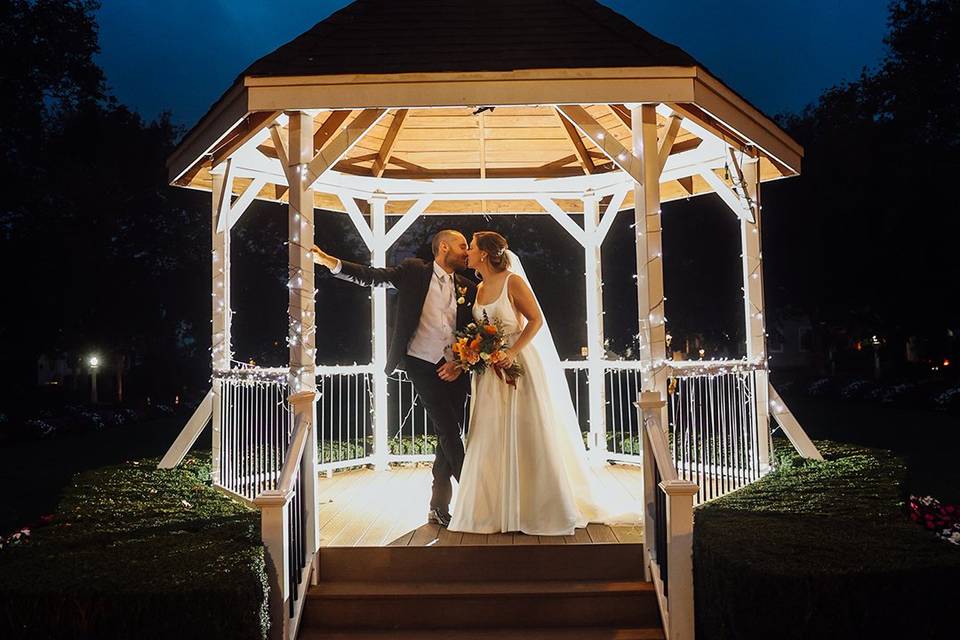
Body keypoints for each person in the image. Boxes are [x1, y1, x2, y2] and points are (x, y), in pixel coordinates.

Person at [444, 231, 638, 535]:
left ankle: (537, 508)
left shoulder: (513, 281)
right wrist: (474, 352)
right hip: (488, 373)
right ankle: (491, 511)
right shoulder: (479, 287)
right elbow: (482, 330)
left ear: (483, 254)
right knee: (489, 433)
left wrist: (511, 351)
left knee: (526, 430)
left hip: (518, 363)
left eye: (470, 248)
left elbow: (535, 320)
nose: (466, 252)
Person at [310, 231, 477, 527]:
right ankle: (475, 497)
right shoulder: (414, 271)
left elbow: (473, 332)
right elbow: (371, 276)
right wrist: (329, 262)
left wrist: (460, 364)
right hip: (421, 364)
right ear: (443, 247)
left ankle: (438, 506)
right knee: (449, 429)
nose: (467, 252)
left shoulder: (467, 286)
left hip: (455, 369)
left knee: (447, 435)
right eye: (463, 246)